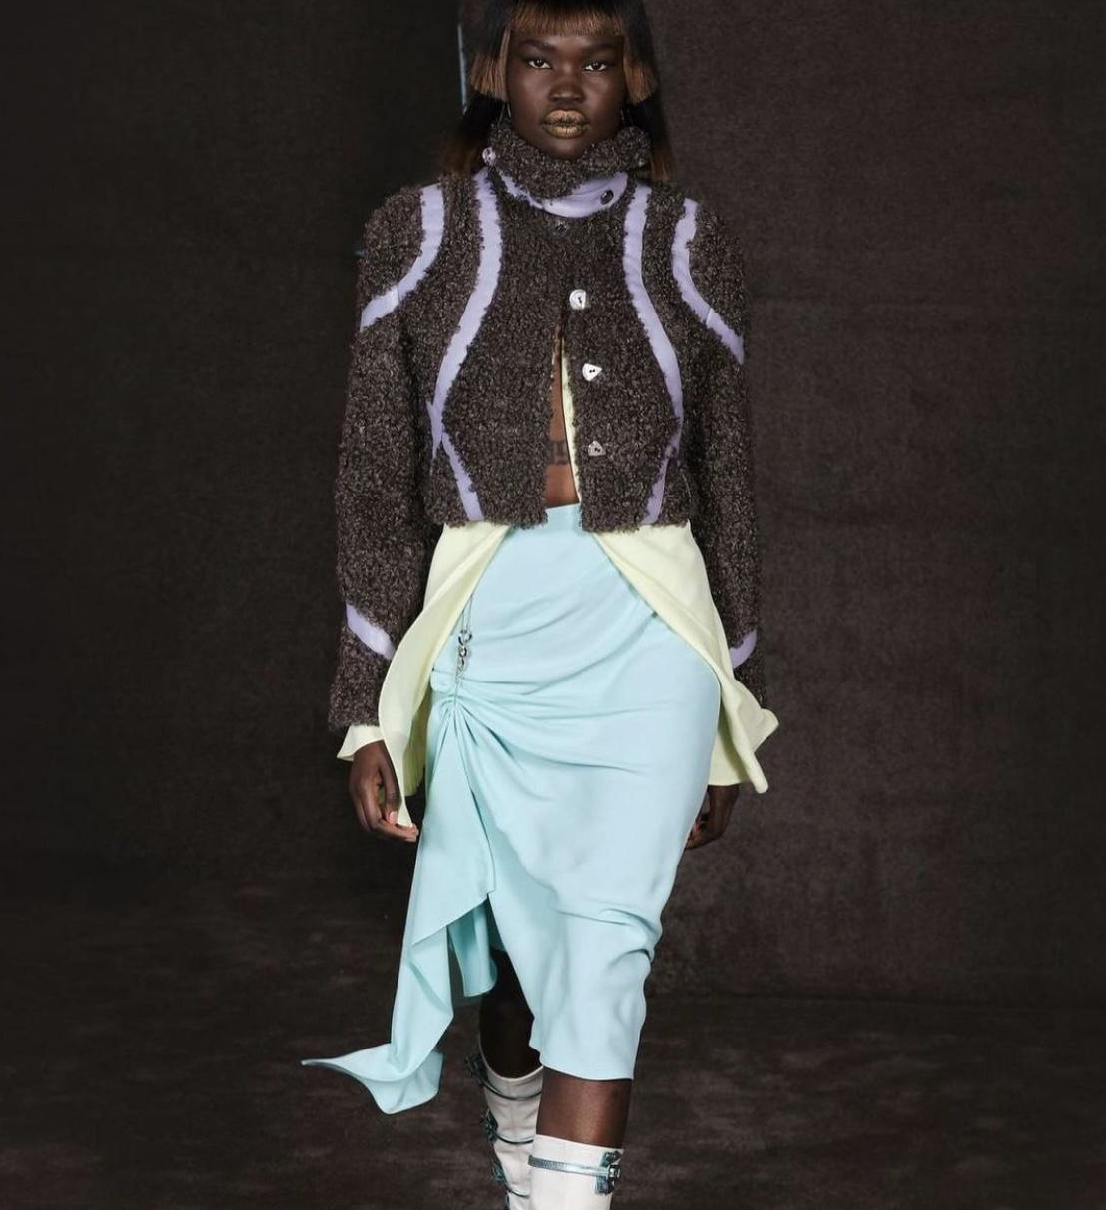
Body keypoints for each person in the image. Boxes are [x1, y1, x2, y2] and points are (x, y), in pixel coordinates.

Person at [301, 2, 780, 1205]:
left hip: (648, 629)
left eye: (596, 61)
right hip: (492, 618)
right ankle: (511, 1101)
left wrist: (732, 698)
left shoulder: (687, 239)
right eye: (537, 60)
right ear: (490, 73)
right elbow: (372, 477)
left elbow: (726, 474)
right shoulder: (417, 232)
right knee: (518, 966)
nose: (566, 88)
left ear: (636, 79)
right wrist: (365, 707)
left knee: (607, 947)